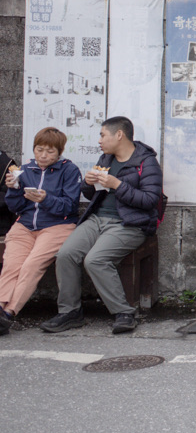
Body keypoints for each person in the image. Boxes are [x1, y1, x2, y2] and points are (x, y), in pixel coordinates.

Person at [41, 116, 162, 335]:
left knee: (96, 260)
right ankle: (70, 312)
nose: (99, 140)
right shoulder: (105, 158)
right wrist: (87, 183)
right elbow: (91, 193)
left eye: (102, 135)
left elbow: (150, 200)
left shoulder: (146, 162)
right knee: (65, 254)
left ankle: (124, 313)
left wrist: (117, 184)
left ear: (119, 135)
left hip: (129, 224)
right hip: (97, 219)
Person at [0, 128, 81, 334]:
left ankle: (9, 313)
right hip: (25, 225)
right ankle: (0, 306)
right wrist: (13, 189)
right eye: (39, 149)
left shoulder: (69, 170)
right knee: (11, 265)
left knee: (32, 265)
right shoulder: (25, 170)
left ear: (60, 152)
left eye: (50, 151)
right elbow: (15, 207)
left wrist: (46, 199)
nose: (43, 155)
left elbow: (70, 206)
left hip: (57, 226)